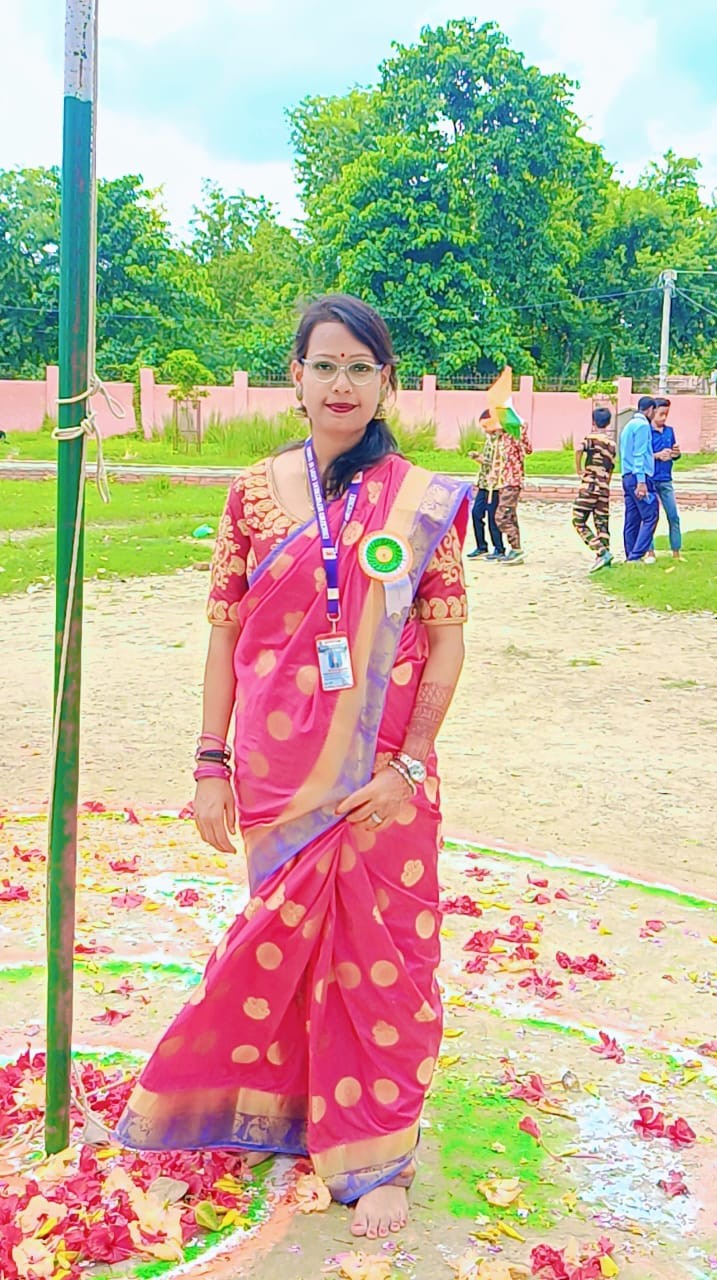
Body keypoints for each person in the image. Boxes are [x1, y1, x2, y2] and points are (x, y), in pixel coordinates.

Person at [115, 294, 471, 1242]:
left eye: (360, 366)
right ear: (296, 377)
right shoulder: (252, 493)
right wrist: (210, 762)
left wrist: (408, 764)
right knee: (281, 944)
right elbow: (225, 634)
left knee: (383, 961)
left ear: (385, 380)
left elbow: (445, 640)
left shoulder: (422, 499)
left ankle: (377, 1152)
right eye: (324, 365)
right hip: (277, 769)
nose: (341, 383)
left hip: (384, 775)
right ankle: (285, 1113)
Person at [572, 407, 616, 573]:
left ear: (593, 421)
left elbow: (579, 449)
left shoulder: (591, 438)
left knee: (578, 520)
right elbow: (611, 467)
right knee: (602, 522)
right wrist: (606, 482)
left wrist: (579, 469)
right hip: (603, 486)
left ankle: (601, 551)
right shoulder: (612, 444)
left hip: (590, 485)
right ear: (609, 422)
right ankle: (605, 558)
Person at [618, 396, 659, 563]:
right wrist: (641, 482)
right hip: (639, 477)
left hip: (627, 476)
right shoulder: (642, 426)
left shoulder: (629, 425)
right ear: (650, 409)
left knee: (632, 518)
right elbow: (639, 454)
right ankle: (637, 555)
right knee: (651, 516)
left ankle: (630, 555)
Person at [491, 418, 532, 565]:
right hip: (504, 482)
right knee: (510, 516)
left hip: (512, 482)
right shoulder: (502, 440)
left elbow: (527, 449)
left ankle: (516, 549)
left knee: (501, 517)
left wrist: (520, 429)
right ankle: (516, 549)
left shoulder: (513, 437)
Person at [647, 396, 682, 563]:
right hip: (651, 479)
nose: (664, 418)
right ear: (653, 412)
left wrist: (675, 454)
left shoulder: (669, 431)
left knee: (673, 516)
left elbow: (674, 452)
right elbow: (643, 456)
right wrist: (657, 455)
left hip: (666, 478)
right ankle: (650, 551)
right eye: (661, 414)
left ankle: (676, 552)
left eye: (666, 414)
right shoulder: (646, 431)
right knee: (651, 517)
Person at [467, 410, 505, 560]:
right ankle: (481, 546)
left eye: (485, 426)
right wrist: (479, 458)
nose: (484, 430)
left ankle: (499, 548)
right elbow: (488, 460)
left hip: (495, 484)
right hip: (484, 483)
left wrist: (482, 460)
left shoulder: (502, 440)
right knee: (476, 513)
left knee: (492, 517)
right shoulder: (489, 439)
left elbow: (498, 462)